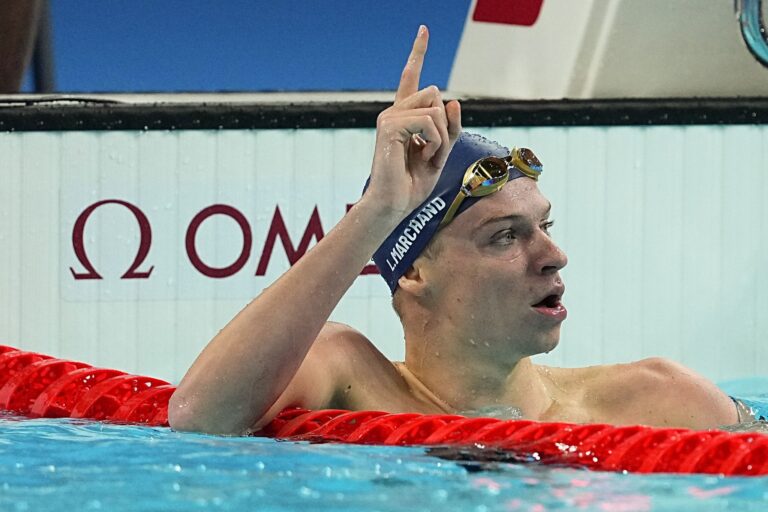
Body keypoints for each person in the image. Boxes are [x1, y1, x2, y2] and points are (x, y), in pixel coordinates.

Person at [169, 26, 743, 436]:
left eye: (544, 226)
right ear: (415, 271)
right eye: (505, 236)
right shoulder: (346, 375)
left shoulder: (659, 398)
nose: (554, 256)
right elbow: (200, 417)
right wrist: (378, 211)